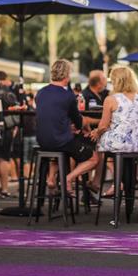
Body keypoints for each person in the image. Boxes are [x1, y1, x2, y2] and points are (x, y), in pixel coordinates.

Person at [36, 59, 98, 194]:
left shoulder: (40, 92)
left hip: (42, 141)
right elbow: (78, 121)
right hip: (60, 141)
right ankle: (68, 179)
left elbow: (53, 116)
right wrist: (84, 129)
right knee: (94, 158)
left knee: (61, 148)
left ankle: (51, 178)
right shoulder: (67, 95)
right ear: (67, 75)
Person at [0, 70, 18, 199]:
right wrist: (15, 127)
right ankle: (4, 188)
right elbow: (17, 109)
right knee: (4, 158)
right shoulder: (8, 92)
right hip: (8, 128)